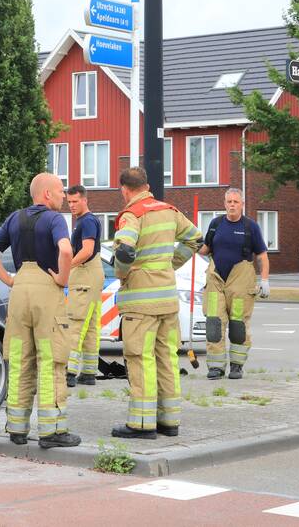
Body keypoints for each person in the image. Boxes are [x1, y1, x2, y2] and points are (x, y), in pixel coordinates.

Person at [0, 173, 80, 449]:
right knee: (51, 360)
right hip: (46, 290)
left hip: (20, 290)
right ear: (47, 194)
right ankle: (52, 432)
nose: (63, 196)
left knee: (20, 361)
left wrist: (10, 279)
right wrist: (62, 278)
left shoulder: (15, 218)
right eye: (60, 191)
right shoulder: (54, 219)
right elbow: (64, 249)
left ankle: (17, 428)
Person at [110, 167, 202, 440]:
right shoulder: (169, 211)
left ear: (124, 190)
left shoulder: (132, 215)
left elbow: (125, 250)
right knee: (166, 358)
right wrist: (170, 264)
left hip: (141, 303)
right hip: (166, 299)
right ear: (147, 185)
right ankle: (169, 421)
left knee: (140, 358)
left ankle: (141, 423)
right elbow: (196, 239)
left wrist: (123, 274)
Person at [198, 188, 269, 381]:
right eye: (229, 201)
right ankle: (215, 367)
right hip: (215, 280)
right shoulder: (215, 224)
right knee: (214, 324)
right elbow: (205, 249)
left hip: (241, 280)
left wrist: (264, 279)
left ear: (242, 204)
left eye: (235, 202)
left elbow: (262, 255)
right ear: (224, 203)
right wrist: (193, 243)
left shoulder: (250, 227)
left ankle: (237, 366)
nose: (232, 205)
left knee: (238, 325)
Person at [65, 185, 105, 388]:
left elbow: (87, 250)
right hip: (92, 274)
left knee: (75, 322)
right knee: (90, 326)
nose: (71, 205)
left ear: (85, 200)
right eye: (69, 202)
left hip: (85, 273)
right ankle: (89, 372)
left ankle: (69, 372)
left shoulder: (87, 221)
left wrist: (66, 266)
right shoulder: (86, 220)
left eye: (75, 201)